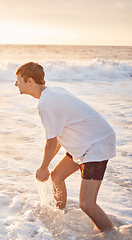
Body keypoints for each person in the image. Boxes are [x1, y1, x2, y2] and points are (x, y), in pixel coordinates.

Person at [15, 62, 116, 232]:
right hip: (86, 142)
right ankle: (59, 214)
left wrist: (43, 167)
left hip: (96, 145)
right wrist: (47, 168)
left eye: (18, 80)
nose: (16, 83)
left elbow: (52, 141)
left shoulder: (45, 104)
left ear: (30, 81)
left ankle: (112, 234)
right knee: (57, 176)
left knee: (87, 204)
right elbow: (59, 139)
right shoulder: (53, 93)